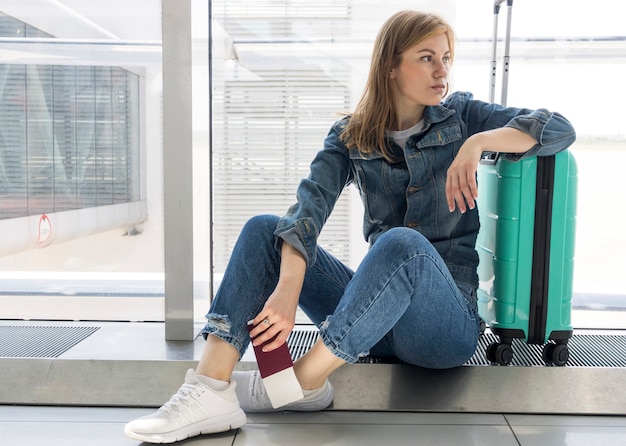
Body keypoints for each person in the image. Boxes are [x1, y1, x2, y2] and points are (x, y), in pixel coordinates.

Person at [124, 10, 576, 444]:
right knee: (266, 228)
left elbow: (559, 128)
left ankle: (301, 381)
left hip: (443, 331)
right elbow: (308, 209)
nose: (442, 71)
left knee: (405, 244)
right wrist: (286, 290)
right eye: (426, 57)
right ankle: (210, 388)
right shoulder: (351, 134)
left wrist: (478, 142)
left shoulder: (462, 116)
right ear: (390, 67)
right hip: (373, 322)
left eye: (446, 59)